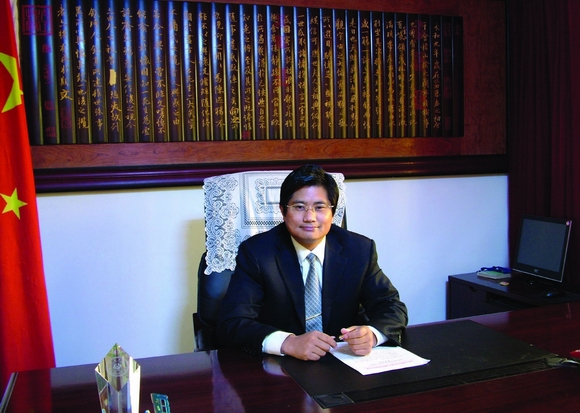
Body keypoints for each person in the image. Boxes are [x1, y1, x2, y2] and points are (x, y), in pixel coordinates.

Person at [216, 164, 408, 361]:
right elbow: (232, 322)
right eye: (299, 207)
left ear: (332, 212)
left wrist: (373, 334)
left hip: (343, 360)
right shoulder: (257, 253)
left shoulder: (359, 250)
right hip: (281, 364)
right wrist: (288, 342)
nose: (310, 217)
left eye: (320, 207)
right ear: (283, 211)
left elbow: (391, 306)